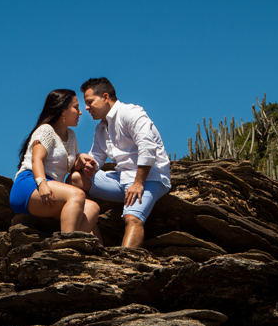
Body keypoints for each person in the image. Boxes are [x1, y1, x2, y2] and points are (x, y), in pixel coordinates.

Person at [78, 77, 171, 248]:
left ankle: (124, 265)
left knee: (132, 218)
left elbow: (147, 147)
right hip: (121, 179)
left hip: (150, 179)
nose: (86, 108)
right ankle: (95, 243)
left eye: (90, 102)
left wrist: (138, 183)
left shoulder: (131, 113)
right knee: (75, 180)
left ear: (105, 97)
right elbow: (97, 156)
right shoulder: (100, 128)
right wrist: (91, 165)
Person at [11, 89, 102, 238]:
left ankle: (72, 244)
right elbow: (37, 159)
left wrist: (83, 160)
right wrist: (42, 184)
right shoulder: (46, 130)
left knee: (92, 207)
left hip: (54, 188)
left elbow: (71, 166)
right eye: (76, 107)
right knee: (77, 195)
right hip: (31, 184)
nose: (80, 113)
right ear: (62, 110)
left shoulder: (71, 136)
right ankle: (64, 245)